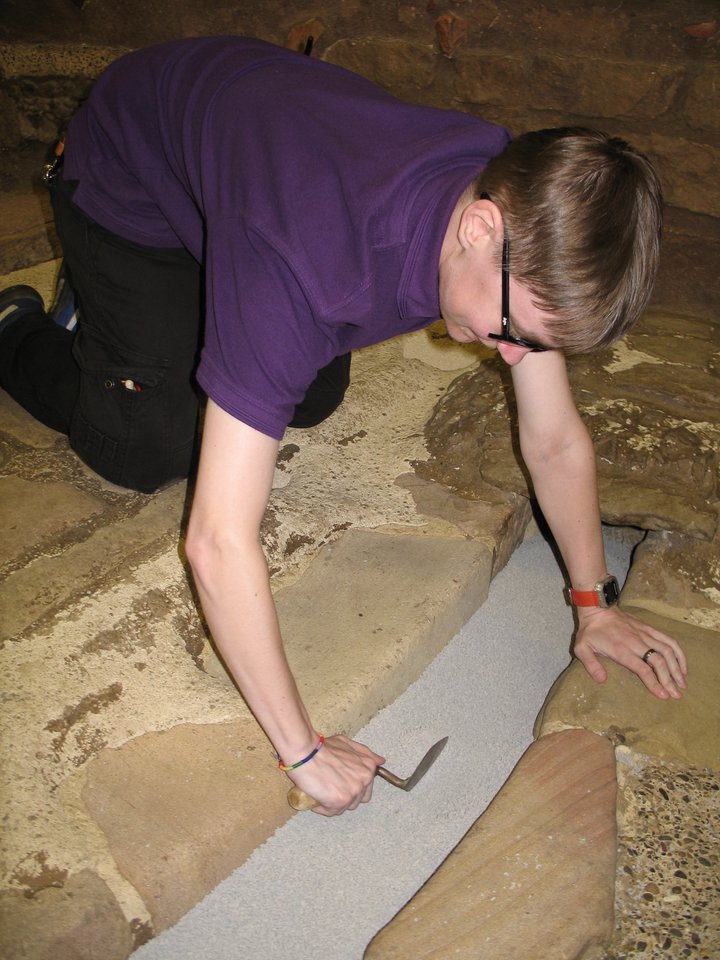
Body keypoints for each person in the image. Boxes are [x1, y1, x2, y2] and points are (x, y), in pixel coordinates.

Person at [0, 36, 687, 815]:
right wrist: (304, 750)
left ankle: (150, 342)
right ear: (481, 227)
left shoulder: (519, 197)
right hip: (130, 171)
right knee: (140, 446)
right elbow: (216, 543)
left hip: (250, 157)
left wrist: (593, 603)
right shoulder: (299, 268)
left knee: (309, 395)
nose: (513, 356)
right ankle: (26, 330)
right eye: (511, 329)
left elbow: (555, 436)